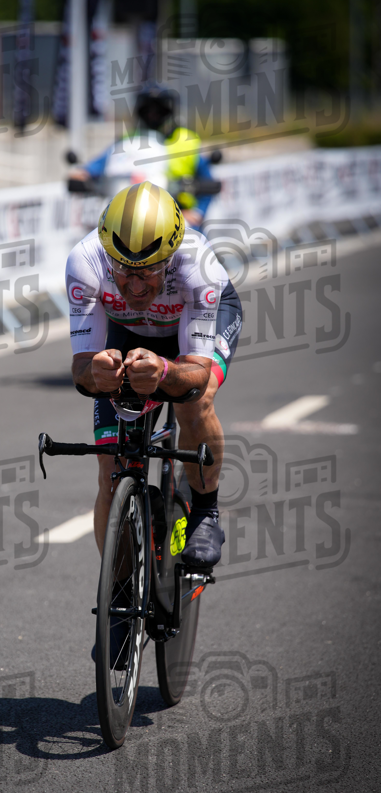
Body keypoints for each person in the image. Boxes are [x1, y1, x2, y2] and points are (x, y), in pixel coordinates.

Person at [66, 181, 242, 566]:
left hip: (191, 328)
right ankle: (121, 586)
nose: (134, 283)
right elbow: (81, 370)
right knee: (109, 472)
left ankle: (205, 510)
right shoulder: (86, 261)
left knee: (196, 402)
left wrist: (163, 371)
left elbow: (194, 376)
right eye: (122, 269)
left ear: (171, 256)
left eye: (148, 271)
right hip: (128, 329)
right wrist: (96, 372)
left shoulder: (198, 264)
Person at [69, 83, 216, 229]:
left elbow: (208, 181)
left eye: (159, 111)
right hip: (124, 218)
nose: (153, 115)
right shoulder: (127, 142)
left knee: (194, 249)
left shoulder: (185, 142)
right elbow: (95, 167)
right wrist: (82, 175)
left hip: (175, 219)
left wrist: (197, 212)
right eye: (148, 110)